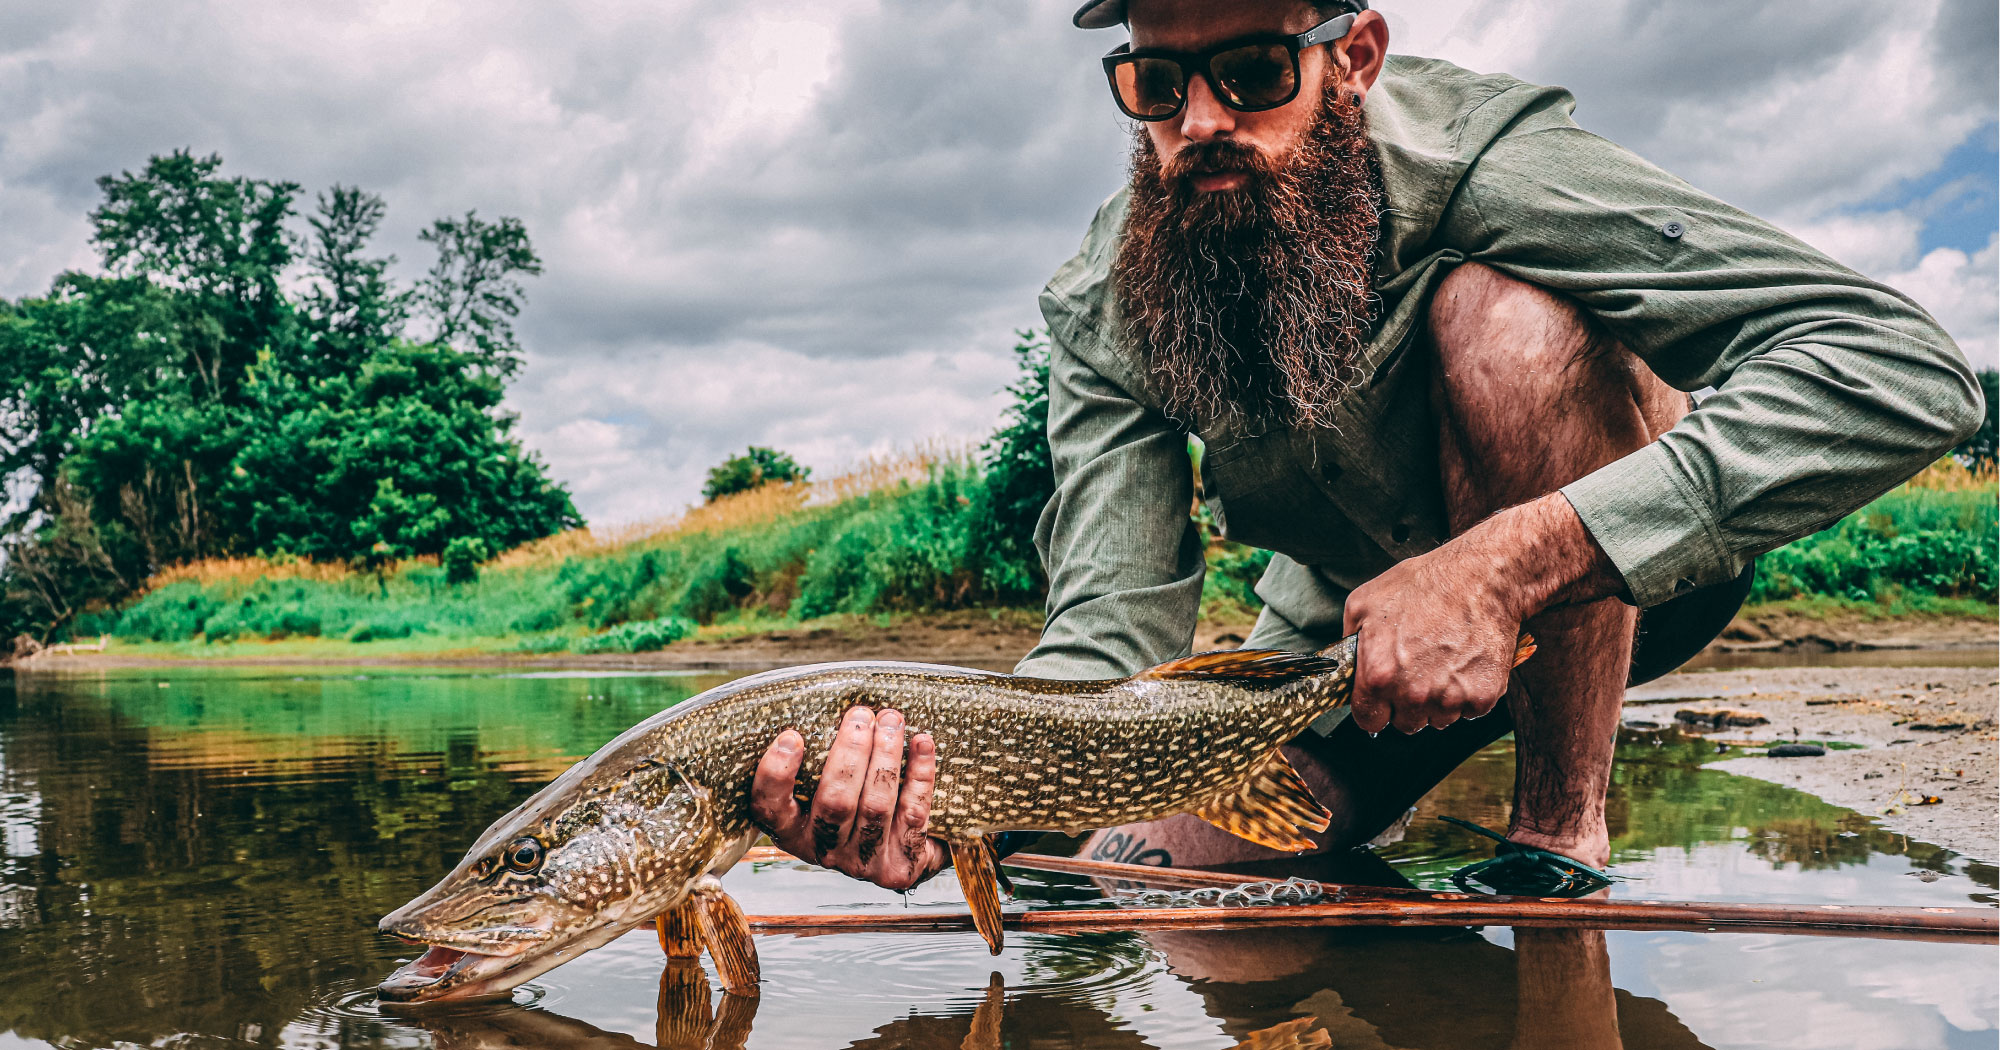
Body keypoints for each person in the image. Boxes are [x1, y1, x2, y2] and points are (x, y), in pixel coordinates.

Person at [748, 0, 1983, 890]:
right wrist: (951, 806)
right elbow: (1107, 639)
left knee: (1502, 322)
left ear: (1352, 57)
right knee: (1131, 890)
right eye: (1158, 84)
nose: (1200, 121)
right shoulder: (1103, 298)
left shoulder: (1487, 158)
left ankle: (1555, 838)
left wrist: (1501, 566)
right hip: (1347, 663)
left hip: (1622, 586)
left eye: (1249, 70)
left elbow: (1900, 371)